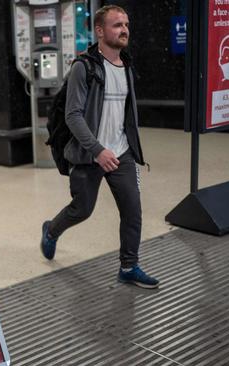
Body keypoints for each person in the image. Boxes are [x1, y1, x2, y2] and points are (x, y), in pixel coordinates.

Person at [40, 5, 159, 289]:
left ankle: (129, 266)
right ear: (99, 31)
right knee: (82, 209)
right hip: (88, 154)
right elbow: (72, 115)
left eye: (126, 24)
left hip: (121, 153)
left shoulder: (127, 65)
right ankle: (52, 230)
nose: (124, 30)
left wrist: (126, 148)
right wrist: (97, 150)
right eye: (117, 25)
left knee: (133, 210)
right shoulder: (84, 67)